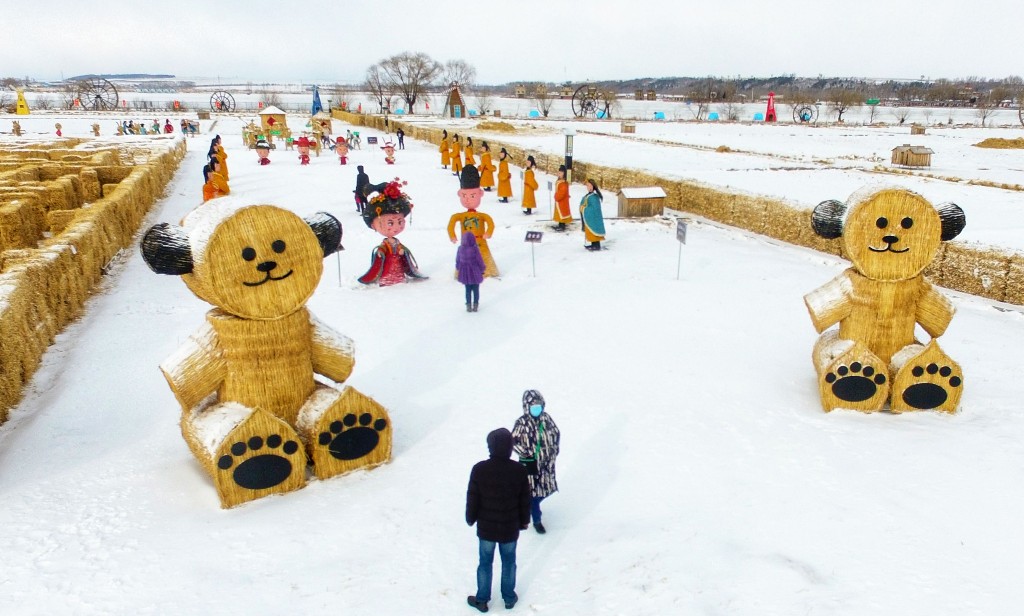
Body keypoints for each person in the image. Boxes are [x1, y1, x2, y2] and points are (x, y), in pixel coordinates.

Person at [466, 428, 531, 613]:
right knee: (509, 561)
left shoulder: (479, 469)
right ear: (510, 447)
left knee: (485, 561)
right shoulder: (519, 470)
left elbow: (473, 497)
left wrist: (470, 518)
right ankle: (509, 598)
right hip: (510, 527)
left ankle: (482, 599)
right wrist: (524, 521)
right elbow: (524, 499)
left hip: (486, 527)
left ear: (490, 446)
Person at [358, 179, 427, 286]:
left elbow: (401, 249)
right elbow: (382, 249)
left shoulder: (397, 243)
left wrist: (402, 252)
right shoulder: (385, 244)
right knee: (387, 270)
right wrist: (380, 253)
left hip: (397, 264)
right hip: (388, 263)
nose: (396, 227)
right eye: (390, 223)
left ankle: (399, 277)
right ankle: (386, 279)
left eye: (400, 222)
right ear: (373, 225)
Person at [511, 390, 560, 535]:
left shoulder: (547, 419)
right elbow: (512, 441)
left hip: (547, 464)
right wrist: (525, 452)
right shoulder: (522, 423)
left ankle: (529, 507)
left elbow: (556, 434)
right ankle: (537, 520)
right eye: (533, 406)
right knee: (532, 493)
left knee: (544, 491)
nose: (537, 409)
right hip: (530, 465)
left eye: (539, 406)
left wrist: (554, 450)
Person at [448, 165, 499, 278]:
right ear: (460, 194)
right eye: (464, 195)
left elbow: (490, 223)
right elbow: (451, 223)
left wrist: (488, 232)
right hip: (466, 244)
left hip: (481, 242)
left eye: (472, 195)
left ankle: (487, 272)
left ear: (480, 194)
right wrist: (452, 235)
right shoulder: (459, 216)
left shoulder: (482, 216)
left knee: (483, 256)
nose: (467, 199)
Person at [456, 232, 485, 312]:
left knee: (467, 289)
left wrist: (458, 268)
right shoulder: (475, 248)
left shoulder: (460, 248)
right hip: (475, 272)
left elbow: (458, 260)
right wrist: (482, 269)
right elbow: (479, 260)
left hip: (465, 273)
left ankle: (468, 305)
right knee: (476, 289)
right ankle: (475, 305)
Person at [579, 178, 606, 251]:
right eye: (588, 186)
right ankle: (593, 244)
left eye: (590, 186)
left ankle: (596, 245)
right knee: (591, 232)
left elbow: (595, 208)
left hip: (594, 218)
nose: (589, 187)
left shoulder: (594, 197)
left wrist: (584, 209)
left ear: (593, 186)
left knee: (594, 231)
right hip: (590, 218)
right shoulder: (588, 195)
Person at [552, 165, 573, 231]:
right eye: (559, 172)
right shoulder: (560, 181)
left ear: (564, 174)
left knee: (562, 213)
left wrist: (556, 196)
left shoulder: (563, 183)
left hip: (562, 201)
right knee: (560, 213)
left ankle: (562, 226)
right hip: (559, 201)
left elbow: (562, 193)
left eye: (561, 173)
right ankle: (560, 224)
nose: (559, 174)